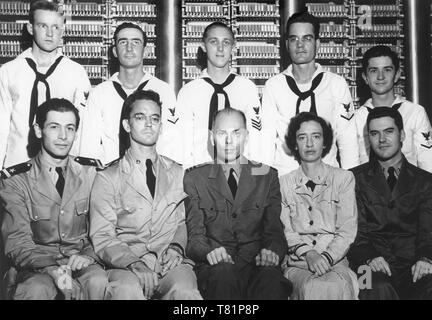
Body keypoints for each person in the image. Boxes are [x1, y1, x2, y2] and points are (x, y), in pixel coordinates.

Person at [90, 90, 202, 300]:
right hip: (127, 264)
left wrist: (177, 247)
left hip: (168, 261)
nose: (149, 124)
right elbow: (102, 236)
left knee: (186, 291)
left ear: (161, 126)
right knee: (127, 292)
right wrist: (135, 263)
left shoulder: (177, 172)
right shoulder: (108, 177)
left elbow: (182, 222)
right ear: (127, 125)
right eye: (140, 118)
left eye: (155, 118)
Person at [0, 98, 107, 300]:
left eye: (70, 128)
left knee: (98, 281)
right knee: (35, 290)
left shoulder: (92, 173)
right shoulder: (16, 180)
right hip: (35, 266)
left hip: (80, 261)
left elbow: (104, 228)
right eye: (54, 127)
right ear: (39, 130)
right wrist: (52, 269)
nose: (63, 136)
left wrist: (88, 256)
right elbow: (17, 243)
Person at [184, 108, 292, 300]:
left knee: (271, 279)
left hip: (256, 265)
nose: (229, 141)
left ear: (246, 136)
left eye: (236, 133)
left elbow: (274, 231)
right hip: (218, 269)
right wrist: (209, 253)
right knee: (222, 275)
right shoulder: (195, 178)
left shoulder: (267, 175)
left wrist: (272, 252)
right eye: (221, 133)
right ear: (211, 137)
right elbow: (194, 237)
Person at [348, 107, 432, 300]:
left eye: (389, 131)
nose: (382, 139)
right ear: (368, 138)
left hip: (414, 263)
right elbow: (354, 233)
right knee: (370, 286)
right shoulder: (352, 179)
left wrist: (426, 258)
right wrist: (368, 257)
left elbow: (429, 233)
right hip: (364, 263)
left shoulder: (426, 181)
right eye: (374, 133)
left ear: (402, 134)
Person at [262, 11, 359, 176]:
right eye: (294, 39)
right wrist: (264, 185)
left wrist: (350, 185)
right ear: (287, 45)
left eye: (307, 38)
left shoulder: (335, 84)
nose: (300, 45)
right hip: (286, 180)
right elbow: (265, 141)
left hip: (329, 181)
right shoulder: (274, 86)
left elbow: (348, 140)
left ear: (318, 44)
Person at [0, 0, 90, 169]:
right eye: (43, 26)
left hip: (63, 169)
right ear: (30, 27)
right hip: (17, 167)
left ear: (62, 30)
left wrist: (80, 172)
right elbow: (0, 128)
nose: (50, 33)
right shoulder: (9, 71)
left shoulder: (76, 72)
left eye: (55, 27)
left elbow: (83, 128)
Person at [280, 112, 358, 299]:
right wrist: (309, 254)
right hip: (298, 264)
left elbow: (347, 230)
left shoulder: (343, 179)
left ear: (325, 143)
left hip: (336, 263)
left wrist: (326, 257)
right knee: (311, 287)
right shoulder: (284, 183)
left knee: (334, 285)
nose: (309, 144)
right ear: (295, 145)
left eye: (316, 136)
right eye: (302, 137)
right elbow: (286, 230)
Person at [79, 22, 179, 165]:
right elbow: (89, 149)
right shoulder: (99, 93)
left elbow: (171, 145)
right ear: (114, 51)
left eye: (136, 42)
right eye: (123, 42)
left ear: (145, 51)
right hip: (110, 178)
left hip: (153, 175)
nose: (129, 48)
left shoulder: (163, 90)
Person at [177, 21, 268, 169]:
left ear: (233, 46)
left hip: (240, 173)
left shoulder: (247, 88)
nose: (220, 48)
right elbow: (182, 144)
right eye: (214, 42)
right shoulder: (189, 91)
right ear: (203, 46)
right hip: (201, 174)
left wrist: (254, 177)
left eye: (226, 42)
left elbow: (256, 138)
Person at [355, 45, 432, 172]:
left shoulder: (415, 113)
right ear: (365, 77)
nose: (381, 77)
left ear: (397, 75)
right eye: (374, 70)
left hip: (410, 188)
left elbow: (428, 163)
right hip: (368, 188)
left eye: (387, 70)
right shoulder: (357, 118)